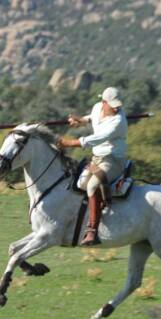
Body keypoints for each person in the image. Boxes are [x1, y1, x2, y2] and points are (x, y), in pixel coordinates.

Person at [57, 87, 128, 246]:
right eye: (113, 105)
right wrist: (80, 120)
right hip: (97, 158)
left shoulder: (118, 121)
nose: (117, 107)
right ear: (103, 102)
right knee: (79, 183)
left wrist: (68, 143)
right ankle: (90, 213)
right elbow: (92, 117)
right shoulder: (97, 108)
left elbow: (96, 139)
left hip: (113, 159)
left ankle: (92, 232)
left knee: (92, 186)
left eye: (118, 105)